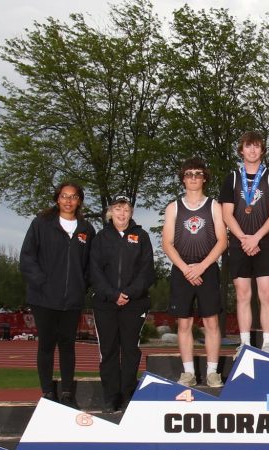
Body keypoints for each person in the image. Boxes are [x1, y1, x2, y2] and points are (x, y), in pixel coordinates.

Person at [20, 182, 97, 408]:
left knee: (67, 345)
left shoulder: (86, 229)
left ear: (79, 200)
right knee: (46, 344)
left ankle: (66, 393)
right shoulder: (41, 223)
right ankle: (47, 392)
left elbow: (91, 264)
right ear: (57, 199)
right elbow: (27, 258)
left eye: (73, 197)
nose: (68, 201)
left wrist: (82, 285)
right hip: (43, 297)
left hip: (72, 299)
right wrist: (42, 282)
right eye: (64, 196)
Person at [162, 158, 228, 387]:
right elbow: (167, 243)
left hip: (207, 268)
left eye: (197, 173)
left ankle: (212, 372)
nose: (193, 177)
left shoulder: (214, 206)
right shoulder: (173, 207)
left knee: (211, 323)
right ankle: (188, 372)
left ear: (204, 178)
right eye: (188, 174)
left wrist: (202, 266)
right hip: (182, 269)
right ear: (183, 179)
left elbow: (222, 241)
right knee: (184, 324)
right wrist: (186, 269)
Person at [89, 195, 156, 412]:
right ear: (110, 212)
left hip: (134, 303)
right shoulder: (100, 237)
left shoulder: (141, 236)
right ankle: (110, 397)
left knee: (130, 350)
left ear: (132, 212)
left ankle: (128, 395)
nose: (122, 213)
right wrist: (111, 294)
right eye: (118, 209)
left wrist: (128, 293)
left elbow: (147, 271)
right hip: (105, 304)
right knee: (108, 351)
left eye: (126, 209)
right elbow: (94, 270)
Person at [220, 131, 269, 355]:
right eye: (248, 146)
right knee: (243, 294)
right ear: (241, 150)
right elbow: (227, 214)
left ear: (262, 150)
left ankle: (267, 343)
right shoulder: (232, 179)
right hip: (239, 244)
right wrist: (244, 238)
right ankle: (245, 343)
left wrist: (256, 238)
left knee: (266, 294)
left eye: (257, 146)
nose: (253, 150)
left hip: (263, 243)